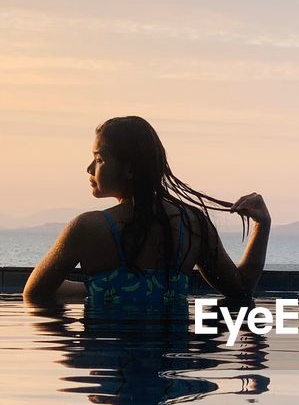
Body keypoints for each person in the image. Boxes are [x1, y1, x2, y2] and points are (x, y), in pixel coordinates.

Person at [23, 115, 270, 307]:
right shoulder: (191, 224)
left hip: (107, 366)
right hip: (174, 367)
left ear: (128, 168)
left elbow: (34, 295)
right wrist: (262, 225)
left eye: (99, 159)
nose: (89, 168)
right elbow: (242, 289)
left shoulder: (88, 228)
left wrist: (102, 290)